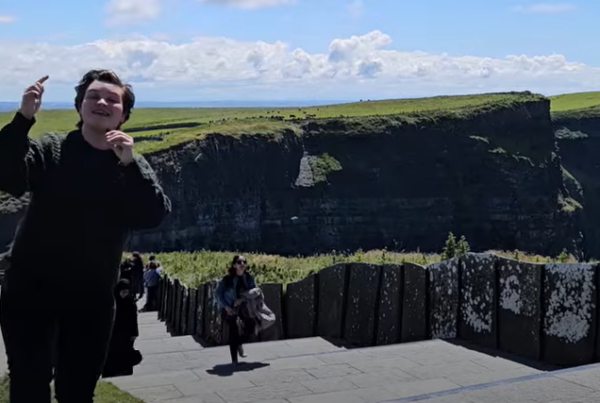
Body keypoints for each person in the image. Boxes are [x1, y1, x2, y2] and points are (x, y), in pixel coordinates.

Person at [0, 70, 171, 403]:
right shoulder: (52, 149)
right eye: (93, 96)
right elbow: (9, 177)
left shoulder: (130, 164)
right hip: (30, 291)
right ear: (80, 106)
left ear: (123, 115)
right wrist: (22, 120)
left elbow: (153, 214)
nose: (102, 102)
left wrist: (130, 166)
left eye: (112, 99)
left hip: (90, 298)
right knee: (28, 384)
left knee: (78, 390)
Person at [216, 255, 257, 366]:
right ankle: (234, 360)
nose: (242, 264)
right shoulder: (227, 279)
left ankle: (239, 343)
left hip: (245, 307)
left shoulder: (248, 278)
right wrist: (226, 307)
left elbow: (254, 291)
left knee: (250, 327)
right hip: (229, 308)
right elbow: (218, 294)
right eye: (239, 262)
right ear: (234, 265)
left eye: (244, 262)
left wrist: (242, 299)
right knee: (233, 331)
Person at [102, 279, 142, 378]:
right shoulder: (113, 302)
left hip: (126, 334)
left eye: (127, 292)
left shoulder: (130, 303)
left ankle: (125, 371)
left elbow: (134, 319)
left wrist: (134, 333)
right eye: (123, 292)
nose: (125, 294)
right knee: (112, 353)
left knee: (125, 353)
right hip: (114, 333)